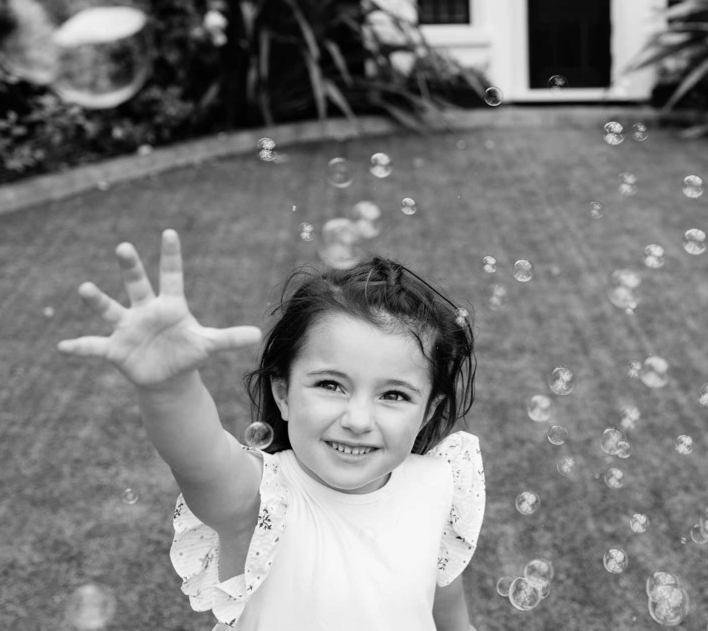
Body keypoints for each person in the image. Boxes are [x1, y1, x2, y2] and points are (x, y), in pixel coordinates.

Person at [57, 229, 484, 631]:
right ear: (282, 393)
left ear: (429, 411)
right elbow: (201, 459)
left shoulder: (441, 484)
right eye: (331, 385)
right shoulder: (262, 501)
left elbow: (446, 611)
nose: (357, 420)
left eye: (393, 395)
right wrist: (169, 388)